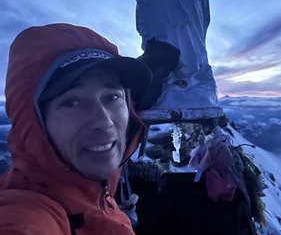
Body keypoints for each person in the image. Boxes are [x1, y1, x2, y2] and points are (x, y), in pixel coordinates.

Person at [0, 23, 178, 234]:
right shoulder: (26, 215)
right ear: (33, 122)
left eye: (112, 97)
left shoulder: (96, 187)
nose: (104, 122)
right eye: (71, 103)